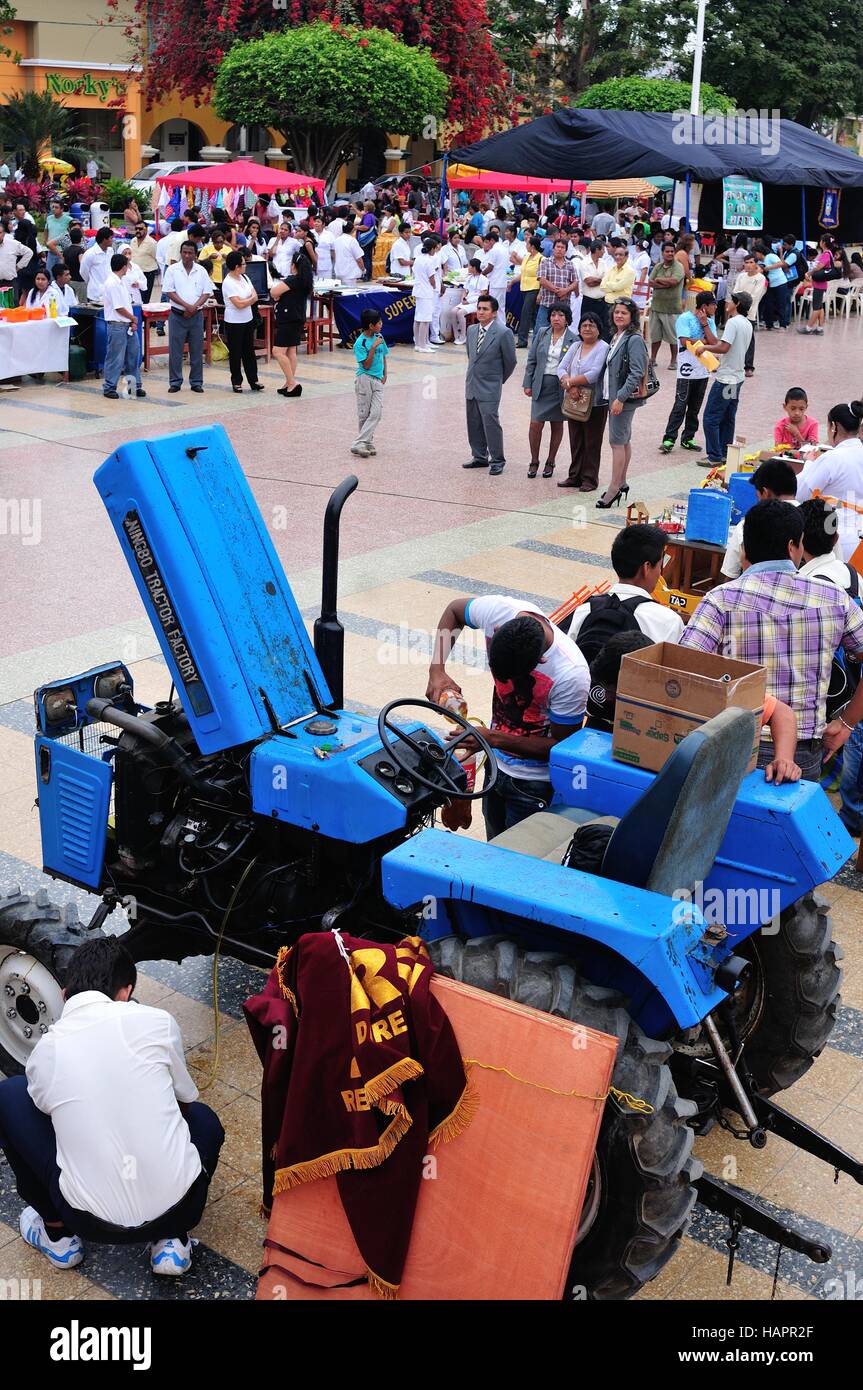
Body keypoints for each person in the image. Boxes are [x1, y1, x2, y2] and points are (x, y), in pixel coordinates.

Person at [0, 936, 224, 1277]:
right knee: (205, 1121)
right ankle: (171, 1240)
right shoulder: (158, 1022)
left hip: (89, 1222)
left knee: (11, 1095)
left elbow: (46, 1114)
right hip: (183, 1207)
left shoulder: (48, 1050)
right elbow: (184, 1102)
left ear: (64, 994)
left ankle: (59, 1236)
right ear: (126, 991)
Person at [681, 499, 863, 779]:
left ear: (745, 548)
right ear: (793, 546)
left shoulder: (720, 600)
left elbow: (682, 671)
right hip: (801, 756)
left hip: (728, 746)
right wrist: (847, 723)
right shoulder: (835, 599)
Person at [426, 594, 589, 836]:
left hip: (533, 786)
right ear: (498, 630)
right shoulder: (499, 612)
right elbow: (454, 610)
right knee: (494, 846)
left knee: (518, 860)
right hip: (496, 768)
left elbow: (562, 747)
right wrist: (436, 669)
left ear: (540, 660)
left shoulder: (571, 675)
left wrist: (492, 738)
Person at [567, 523, 685, 650]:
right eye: (659, 565)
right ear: (646, 568)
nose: (660, 572)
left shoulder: (584, 610)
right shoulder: (669, 621)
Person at [595, 298, 649, 508]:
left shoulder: (633, 339)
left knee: (616, 442)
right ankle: (622, 481)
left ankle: (614, 488)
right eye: (616, 312)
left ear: (631, 317)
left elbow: (637, 371)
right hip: (615, 396)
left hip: (622, 399)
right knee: (624, 441)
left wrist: (620, 398)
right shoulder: (618, 336)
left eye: (623, 313)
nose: (619, 316)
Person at [796, 402, 863, 560]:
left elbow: (801, 494)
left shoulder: (832, 459)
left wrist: (809, 464)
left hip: (836, 537)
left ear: (834, 426)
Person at [695, 291, 753, 468]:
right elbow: (735, 349)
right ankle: (725, 452)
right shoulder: (747, 323)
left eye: (730, 300)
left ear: (737, 304)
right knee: (728, 416)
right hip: (737, 377)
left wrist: (704, 347)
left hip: (726, 379)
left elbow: (724, 347)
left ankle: (714, 455)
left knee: (711, 417)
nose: (727, 302)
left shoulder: (733, 322)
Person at [463, 294, 518, 476]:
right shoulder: (471, 330)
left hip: (490, 386)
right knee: (473, 422)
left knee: (490, 423)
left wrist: (497, 379)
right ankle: (479, 456)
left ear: (494, 313)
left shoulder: (503, 333)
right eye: (479, 308)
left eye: (485, 309)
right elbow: (472, 357)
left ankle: (497, 460)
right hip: (472, 383)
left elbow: (510, 361)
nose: (480, 312)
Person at [555, 312, 610, 492]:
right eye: (584, 326)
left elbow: (594, 374)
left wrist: (571, 382)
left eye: (591, 326)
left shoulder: (603, 347)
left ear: (598, 329)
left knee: (592, 441)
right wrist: (569, 387)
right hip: (574, 400)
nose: (587, 329)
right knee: (576, 439)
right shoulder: (576, 345)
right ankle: (575, 476)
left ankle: (590, 479)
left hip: (595, 402)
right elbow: (561, 367)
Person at [659, 290, 717, 455]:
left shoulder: (710, 322)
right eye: (713, 304)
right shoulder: (685, 319)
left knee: (695, 406)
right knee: (680, 404)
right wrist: (704, 342)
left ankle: (688, 438)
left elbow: (714, 343)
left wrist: (705, 324)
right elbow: (684, 341)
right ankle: (669, 438)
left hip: (703, 369)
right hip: (686, 370)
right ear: (704, 306)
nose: (715, 307)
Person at [522, 304, 577, 479]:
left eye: (561, 315)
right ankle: (534, 460)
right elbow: (532, 359)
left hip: (560, 386)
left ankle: (550, 460)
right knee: (535, 424)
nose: (556, 318)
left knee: (557, 424)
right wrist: (527, 383)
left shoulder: (574, 340)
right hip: (541, 383)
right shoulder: (542, 333)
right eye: (553, 314)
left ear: (567, 319)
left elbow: (575, 367)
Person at [721, 458, 798, 580]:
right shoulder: (813, 517)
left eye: (758, 496)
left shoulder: (749, 523)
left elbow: (730, 575)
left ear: (766, 493)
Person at [161, 240, 215, 394]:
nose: (186, 255)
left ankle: (196, 382)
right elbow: (169, 291)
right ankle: (175, 382)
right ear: (180, 253)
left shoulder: (201, 271)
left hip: (196, 316)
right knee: (175, 351)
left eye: (190, 252)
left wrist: (194, 307)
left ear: (195, 254)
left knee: (197, 350)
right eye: (184, 252)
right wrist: (186, 305)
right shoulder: (172, 270)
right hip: (177, 315)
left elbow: (206, 292)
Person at [270, 248, 313, 398]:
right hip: (297, 318)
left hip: (288, 320)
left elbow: (274, 292)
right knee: (291, 351)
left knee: (277, 351)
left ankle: (292, 382)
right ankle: (289, 383)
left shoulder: (293, 280)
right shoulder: (304, 280)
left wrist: (278, 296)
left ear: (294, 265)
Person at [221, 249, 264, 394]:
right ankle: (236, 381)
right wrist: (249, 300)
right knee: (236, 352)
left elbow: (255, 295)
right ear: (236, 266)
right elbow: (237, 304)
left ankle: (254, 380)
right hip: (234, 322)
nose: (245, 266)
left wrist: (248, 301)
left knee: (249, 352)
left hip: (248, 319)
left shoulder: (245, 278)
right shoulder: (228, 282)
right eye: (243, 264)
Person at [101, 253, 143, 400]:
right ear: (123, 267)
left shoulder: (121, 282)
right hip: (117, 325)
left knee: (133, 356)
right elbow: (119, 308)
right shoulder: (112, 283)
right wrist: (133, 318)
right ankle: (109, 387)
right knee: (115, 358)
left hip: (127, 325)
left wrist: (132, 321)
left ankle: (134, 386)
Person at [350, 307, 389, 458]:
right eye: (379, 323)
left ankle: (359, 442)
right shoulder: (360, 343)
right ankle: (366, 442)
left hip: (378, 379)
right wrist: (373, 347)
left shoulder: (379, 336)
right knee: (364, 414)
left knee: (377, 412)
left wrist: (385, 373)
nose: (381, 324)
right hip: (364, 379)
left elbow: (384, 355)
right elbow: (365, 365)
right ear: (371, 325)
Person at [648, 242, 686, 368]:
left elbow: (674, 281)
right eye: (667, 251)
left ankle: (674, 361)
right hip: (656, 307)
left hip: (672, 308)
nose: (670, 253)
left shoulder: (678, 266)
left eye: (672, 251)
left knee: (673, 337)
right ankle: (653, 359)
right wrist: (665, 284)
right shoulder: (658, 266)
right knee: (655, 336)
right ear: (662, 252)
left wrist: (659, 281)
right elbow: (651, 282)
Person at [733, 253, 767, 376]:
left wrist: (741, 299)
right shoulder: (741, 276)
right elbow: (735, 292)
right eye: (746, 263)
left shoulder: (760, 278)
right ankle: (734, 364)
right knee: (734, 338)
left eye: (751, 262)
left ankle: (749, 366)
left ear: (756, 264)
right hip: (737, 313)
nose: (748, 265)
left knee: (748, 340)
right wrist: (740, 300)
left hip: (750, 313)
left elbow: (754, 296)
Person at [535, 239, 578, 336]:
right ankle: (536, 351)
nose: (560, 249)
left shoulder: (570, 264)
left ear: (566, 250)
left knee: (562, 333)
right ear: (553, 249)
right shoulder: (545, 262)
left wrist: (566, 290)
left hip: (564, 306)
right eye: (557, 247)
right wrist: (558, 291)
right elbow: (542, 279)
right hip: (547, 304)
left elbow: (575, 282)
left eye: (562, 247)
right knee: (541, 332)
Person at [445, 258, 488, 345]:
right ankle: (456, 336)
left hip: (476, 302)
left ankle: (463, 336)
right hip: (467, 300)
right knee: (453, 311)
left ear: (474, 268)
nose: (468, 267)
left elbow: (483, 295)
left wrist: (469, 301)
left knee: (460, 313)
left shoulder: (484, 279)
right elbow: (465, 290)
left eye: (469, 266)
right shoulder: (469, 278)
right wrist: (463, 298)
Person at [799, 235, 834, 336]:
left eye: (821, 240)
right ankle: (820, 328)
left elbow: (819, 267)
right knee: (819, 306)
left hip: (820, 284)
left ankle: (808, 328)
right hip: (821, 284)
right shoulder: (828, 253)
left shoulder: (826, 254)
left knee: (816, 307)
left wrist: (809, 273)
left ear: (823, 242)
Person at [598, 245, 636, 340]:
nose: (618, 257)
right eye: (616, 255)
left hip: (622, 305)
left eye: (621, 255)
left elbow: (619, 286)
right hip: (607, 304)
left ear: (626, 257)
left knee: (619, 331)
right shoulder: (612, 269)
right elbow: (602, 286)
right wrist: (613, 286)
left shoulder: (630, 271)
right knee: (606, 331)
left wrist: (610, 285)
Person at [412, 236, 439, 353]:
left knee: (418, 318)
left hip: (418, 290)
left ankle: (418, 343)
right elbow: (432, 278)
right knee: (425, 319)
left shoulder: (418, 259)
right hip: (426, 291)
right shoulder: (428, 261)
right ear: (432, 249)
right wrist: (434, 286)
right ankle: (422, 345)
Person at [516, 236, 543, 348]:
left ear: (532, 246)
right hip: (524, 287)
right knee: (531, 314)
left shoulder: (541, 259)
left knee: (525, 313)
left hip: (534, 288)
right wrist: (512, 282)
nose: (526, 246)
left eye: (527, 244)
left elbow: (542, 277)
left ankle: (522, 340)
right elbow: (523, 273)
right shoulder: (527, 257)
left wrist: (540, 292)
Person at [480, 231, 511, 327]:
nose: (487, 244)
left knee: (494, 306)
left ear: (492, 240)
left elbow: (490, 267)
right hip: (502, 281)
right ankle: (502, 325)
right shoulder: (504, 248)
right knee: (501, 306)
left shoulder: (494, 250)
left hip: (495, 281)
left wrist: (481, 274)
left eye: (488, 242)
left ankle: (495, 326)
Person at [0, 222, 33, 304]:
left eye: (0, 233)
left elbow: (29, 253)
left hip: (9, 282)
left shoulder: (12, 244)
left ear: (3, 233)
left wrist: (18, 267)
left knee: (12, 307)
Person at [79, 226, 114, 304]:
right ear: (104, 239)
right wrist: (93, 282)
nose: (112, 240)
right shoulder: (90, 253)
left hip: (109, 291)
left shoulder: (110, 251)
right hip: (95, 294)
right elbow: (83, 272)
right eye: (111, 238)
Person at [130, 221, 159, 303]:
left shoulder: (152, 243)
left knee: (144, 300)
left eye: (140, 229)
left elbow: (157, 257)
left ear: (146, 230)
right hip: (135, 274)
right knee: (134, 299)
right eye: (136, 229)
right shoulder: (133, 241)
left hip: (147, 274)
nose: (138, 231)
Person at [333, 219, 365, 285]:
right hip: (350, 273)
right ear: (353, 229)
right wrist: (363, 269)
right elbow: (358, 258)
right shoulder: (352, 241)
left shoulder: (337, 240)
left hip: (339, 271)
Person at [44, 198, 71, 273]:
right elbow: (46, 230)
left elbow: (73, 232)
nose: (53, 209)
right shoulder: (49, 218)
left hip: (62, 252)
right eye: (53, 207)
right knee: (49, 273)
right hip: (51, 251)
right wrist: (46, 241)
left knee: (61, 274)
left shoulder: (68, 219)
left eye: (56, 207)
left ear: (62, 209)